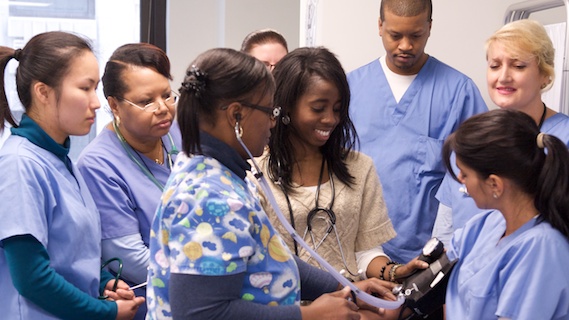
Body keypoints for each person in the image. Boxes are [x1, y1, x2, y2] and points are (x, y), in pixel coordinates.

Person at [146, 47, 400, 320]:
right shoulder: (208, 197)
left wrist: (343, 287)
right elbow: (202, 314)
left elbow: (270, 257)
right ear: (236, 116)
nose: (273, 121)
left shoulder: (214, 171)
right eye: (269, 110)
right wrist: (310, 316)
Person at [0, 31, 144, 319]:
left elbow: (72, 257)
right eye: (85, 88)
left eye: (96, 88)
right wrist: (107, 312)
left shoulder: (61, 161)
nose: (96, 102)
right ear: (42, 92)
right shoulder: (19, 164)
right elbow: (33, 278)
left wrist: (104, 282)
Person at [257, 46, 426, 283]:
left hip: (348, 303)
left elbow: (366, 252)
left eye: (337, 109)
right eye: (318, 108)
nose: (331, 119)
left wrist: (394, 272)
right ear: (285, 107)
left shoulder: (360, 168)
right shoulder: (253, 172)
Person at [347, 0, 488, 264]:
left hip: (429, 258)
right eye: (395, 35)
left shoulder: (459, 92)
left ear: (430, 28)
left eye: (416, 35)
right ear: (380, 26)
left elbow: (473, 180)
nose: (405, 45)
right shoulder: (350, 89)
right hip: (358, 255)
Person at [432, 19, 569, 248]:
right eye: (495, 65)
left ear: (545, 75)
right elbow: (443, 234)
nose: (503, 77)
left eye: (518, 66)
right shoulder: (472, 139)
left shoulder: (563, 138)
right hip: (465, 276)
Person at [76, 43, 181, 319]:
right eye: (147, 101)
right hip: (153, 302)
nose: (163, 109)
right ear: (114, 106)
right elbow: (130, 258)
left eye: (168, 95)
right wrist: (207, 273)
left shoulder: (180, 133)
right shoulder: (99, 164)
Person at [442, 108, 569, 319]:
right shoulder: (485, 224)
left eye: (465, 174)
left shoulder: (542, 249)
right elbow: (434, 274)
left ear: (495, 184)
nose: (460, 181)